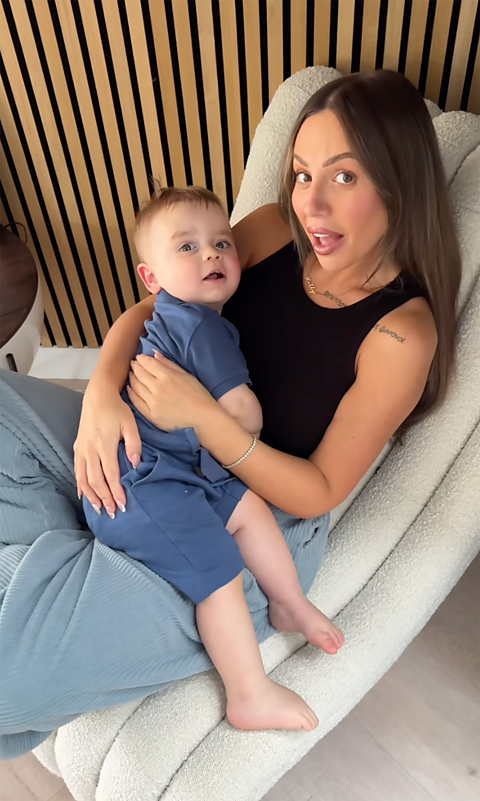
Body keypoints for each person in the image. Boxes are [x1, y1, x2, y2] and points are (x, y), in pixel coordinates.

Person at [0, 69, 461, 758]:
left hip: (254, 518)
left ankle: (71, 575)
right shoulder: (276, 228)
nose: (312, 202)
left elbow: (320, 489)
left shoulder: (402, 333)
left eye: (343, 177)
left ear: (401, 184)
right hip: (153, 440)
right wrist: (99, 397)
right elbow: (160, 304)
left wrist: (207, 419)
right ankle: (69, 559)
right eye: (303, 173)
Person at [83, 185, 344, 731]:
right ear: (151, 280)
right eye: (187, 247)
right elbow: (243, 417)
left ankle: (287, 603)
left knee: (246, 507)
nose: (211, 254)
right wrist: (233, 414)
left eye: (222, 242)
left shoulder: (182, 317)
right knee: (221, 573)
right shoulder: (202, 327)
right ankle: (248, 693)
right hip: (143, 486)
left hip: (176, 468)